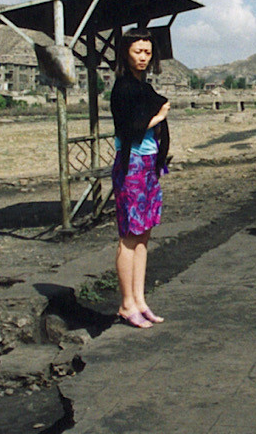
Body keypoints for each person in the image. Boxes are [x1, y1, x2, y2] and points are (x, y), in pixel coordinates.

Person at [108, 29, 171, 328]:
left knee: (144, 234)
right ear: (125, 53)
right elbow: (129, 127)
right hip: (130, 164)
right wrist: (158, 117)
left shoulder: (142, 87)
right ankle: (125, 304)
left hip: (147, 163)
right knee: (129, 236)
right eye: (137, 51)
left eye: (147, 52)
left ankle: (139, 300)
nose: (143, 57)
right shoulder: (123, 87)